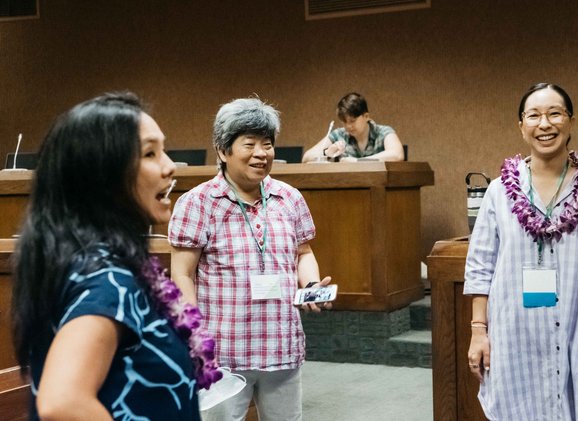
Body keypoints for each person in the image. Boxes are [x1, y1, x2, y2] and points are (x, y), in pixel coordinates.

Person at [11, 92, 220, 420]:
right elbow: (62, 403)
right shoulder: (107, 279)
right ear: (101, 177)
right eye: (150, 153)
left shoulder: (94, 261)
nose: (169, 167)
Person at [464, 83, 578, 420]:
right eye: (534, 115)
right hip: (513, 333)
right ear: (521, 126)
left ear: (570, 121)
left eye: (555, 113)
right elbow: (480, 264)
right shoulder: (499, 192)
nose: (545, 124)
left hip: (576, 328)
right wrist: (479, 332)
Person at [169, 96, 333, 421]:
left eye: (268, 144)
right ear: (222, 150)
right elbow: (182, 274)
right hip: (223, 351)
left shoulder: (289, 198)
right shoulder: (197, 203)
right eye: (249, 144)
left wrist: (311, 284)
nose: (262, 153)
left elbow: (304, 253)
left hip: (281, 344)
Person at [301, 92, 404, 162]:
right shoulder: (339, 134)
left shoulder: (383, 132)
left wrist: (357, 162)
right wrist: (327, 152)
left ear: (366, 116)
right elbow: (306, 157)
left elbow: (397, 155)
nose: (348, 126)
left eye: (352, 121)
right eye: (344, 122)